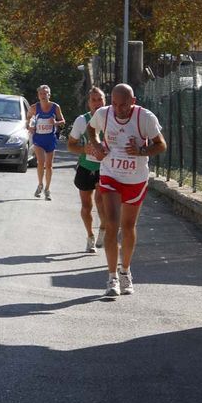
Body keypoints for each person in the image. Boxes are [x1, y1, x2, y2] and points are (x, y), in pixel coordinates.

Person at [87, 83, 166, 296]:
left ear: (133, 101)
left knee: (128, 226)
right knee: (112, 224)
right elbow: (91, 128)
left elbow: (161, 145)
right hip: (111, 175)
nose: (118, 109)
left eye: (123, 105)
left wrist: (141, 151)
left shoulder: (145, 118)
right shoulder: (104, 114)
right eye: (114, 104)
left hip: (135, 179)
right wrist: (96, 144)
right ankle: (112, 278)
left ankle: (125, 271)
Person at [68, 86, 107, 253]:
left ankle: (103, 230)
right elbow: (70, 145)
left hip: (105, 169)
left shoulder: (112, 119)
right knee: (86, 206)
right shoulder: (81, 121)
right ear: (88, 104)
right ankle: (90, 236)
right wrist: (84, 150)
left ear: (105, 101)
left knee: (101, 201)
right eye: (94, 100)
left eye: (100, 99)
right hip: (85, 167)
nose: (97, 103)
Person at [27, 85, 65, 200]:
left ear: (49, 95)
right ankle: (40, 184)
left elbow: (63, 121)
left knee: (49, 165)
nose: (43, 96)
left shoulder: (55, 107)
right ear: (38, 95)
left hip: (50, 139)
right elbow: (28, 119)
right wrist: (29, 126)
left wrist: (56, 123)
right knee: (40, 162)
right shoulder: (34, 107)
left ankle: (47, 189)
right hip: (38, 139)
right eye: (41, 94)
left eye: (46, 93)